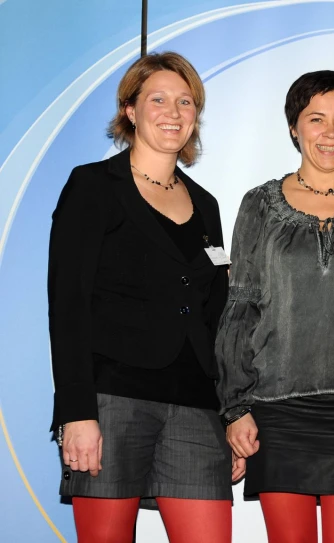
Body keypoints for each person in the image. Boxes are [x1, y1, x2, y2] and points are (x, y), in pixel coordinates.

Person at [48, 52, 236, 543]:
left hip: (198, 403)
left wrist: (232, 412)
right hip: (111, 400)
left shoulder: (207, 205)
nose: (173, 112)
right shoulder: (93, 187)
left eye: (185, 102)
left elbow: (216, 317)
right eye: (158, 99)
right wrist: (76, 412)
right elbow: (68, 305)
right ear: (130, 109)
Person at [215, 70, 334, 543]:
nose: (330, 133)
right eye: (315, 119)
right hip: (277, 409)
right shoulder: (258, 205)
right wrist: (235, 406)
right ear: (293, 127)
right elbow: (239, 307)